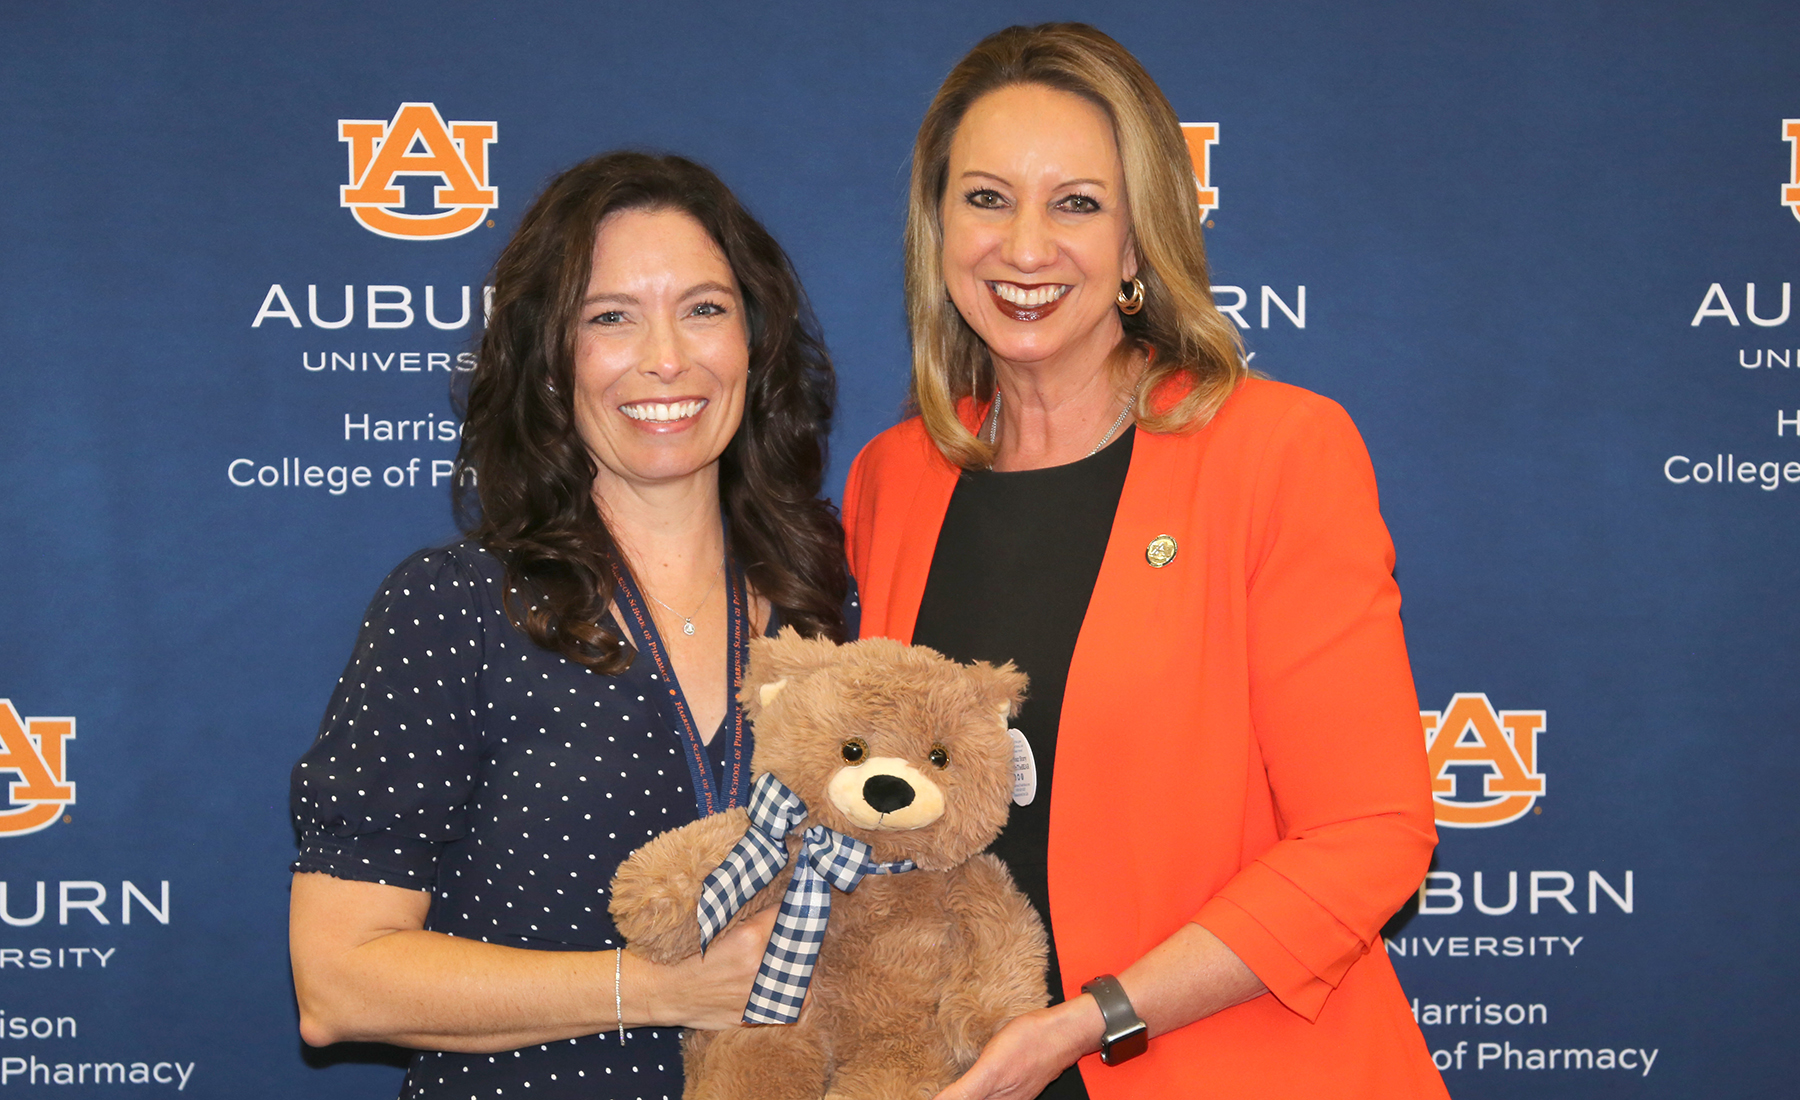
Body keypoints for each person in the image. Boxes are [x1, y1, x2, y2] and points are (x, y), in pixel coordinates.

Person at [843, 24, 1448, 1100]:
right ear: (937, 229)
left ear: (1137, 244)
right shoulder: (895, 480)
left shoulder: (1276, 452)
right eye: (986, 199)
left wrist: (1093, 1019)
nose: (1025, 247)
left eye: (1076, 203)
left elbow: (1372, 834)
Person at [288, 151, 853, 1099]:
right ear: (551, 363)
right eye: (610, 317)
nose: (666, 356)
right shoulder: (456, 610)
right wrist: (662, 989)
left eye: (705, 308)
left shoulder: (832, 609)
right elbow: (338, 981)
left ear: (755, 345)